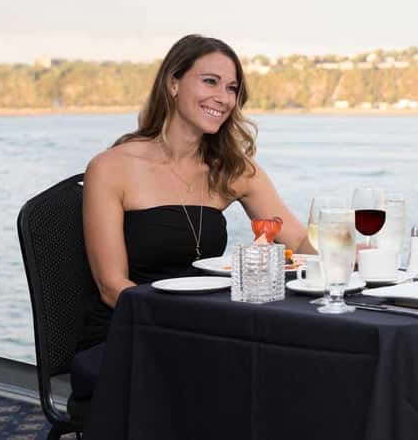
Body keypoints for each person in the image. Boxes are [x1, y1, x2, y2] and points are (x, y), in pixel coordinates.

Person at [77, 34, 316, 350]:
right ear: (173, 83)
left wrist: (346, 251)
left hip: (201, 329)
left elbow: (297, 241)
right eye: (210, 82)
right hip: (130, 332)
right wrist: (185, 326)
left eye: (231, 88)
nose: (223, 98)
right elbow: (111, 286)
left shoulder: (232, 169)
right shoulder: (111, 167)